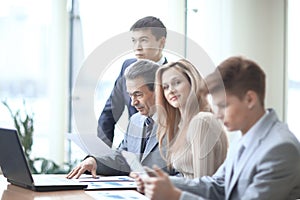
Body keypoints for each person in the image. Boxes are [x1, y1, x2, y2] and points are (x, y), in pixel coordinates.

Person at [135, 56, 300, 200]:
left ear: (250, 99)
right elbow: (218, 185)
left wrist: (177, 197)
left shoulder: (280, 148)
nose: (218, 115)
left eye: (223, 106)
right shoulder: (246, 137)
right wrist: (163, 182)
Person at [67, 60, 173, 178]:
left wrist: (160, 182)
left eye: (138, 95)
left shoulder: (180, 124)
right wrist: (94, 161)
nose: (133, 103)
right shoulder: (135, 120)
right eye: (130, 95)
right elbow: (123, 158)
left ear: (158, 90)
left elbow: (187, 176)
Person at [98, 16, 167, 147]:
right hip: (132, 147)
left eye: (144, 40)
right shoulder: (127, 68)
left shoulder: (172, 76)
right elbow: (109, 114)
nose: (137, 47)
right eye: (134, 41)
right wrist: (100, 155)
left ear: (161, 43)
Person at [153, 59, 228, 179]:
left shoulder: (201, 121)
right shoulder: (181, 125)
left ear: (192, 83)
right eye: (165, 87)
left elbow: (203, 185)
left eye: (177, 82)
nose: (171, 90)